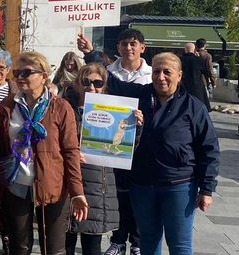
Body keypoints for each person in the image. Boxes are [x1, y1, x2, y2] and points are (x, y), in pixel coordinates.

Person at [81, 42, 220, 254]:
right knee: (148, 240)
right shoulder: (139, 96)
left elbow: (209, 149)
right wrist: (91, 54)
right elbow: (112, 82)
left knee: (180, 244)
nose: (161, 77)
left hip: (179, 185)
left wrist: (207, 189)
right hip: (143, 185)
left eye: (167, 72)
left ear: (179, 75)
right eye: (156, 71)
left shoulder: (193, 107)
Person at [0, 51, 88, 255]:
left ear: (44, 76)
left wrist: (77, 192)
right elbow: (0, 147)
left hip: (52, 186)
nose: (20, 77)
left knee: (53, 249)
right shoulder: (7, 106)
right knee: (19, 248)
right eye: (17, 72)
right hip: (17, 186)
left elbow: (71, 151)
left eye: (27, 72)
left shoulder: (60, 107)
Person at [78, 29, 148, 255]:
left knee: (137, 195)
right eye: (124, 44)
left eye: (133, 44)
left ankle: (137, 241)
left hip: (143, 144)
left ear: (142, 48)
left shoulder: (151, 75)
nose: (129, 48)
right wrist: (89, 52)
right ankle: (118, 240)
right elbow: (94, 76)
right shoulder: (109, 74)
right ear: (118, 48)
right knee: (118, 193)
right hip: (115, 144)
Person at [63, 64, 123, 255]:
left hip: (98, 187)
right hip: (67, 184)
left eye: (98, 83)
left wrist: (132, 129)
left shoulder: (114, 110)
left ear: (104, 86)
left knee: (92, 247)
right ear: (77, 83)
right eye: (86, 82)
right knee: (65, 245)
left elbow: (120, 149)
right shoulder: (63, 107)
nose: (91, 87)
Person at [181, 42, 212, 112]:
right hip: (197, 86)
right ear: (194, 49)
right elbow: (205, 71)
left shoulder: (180, 60)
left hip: (184, 85)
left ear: (185, 49)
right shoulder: (199, 60)